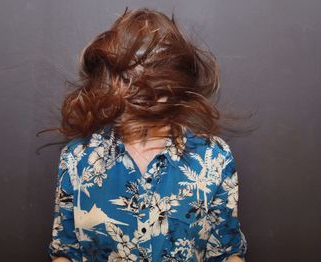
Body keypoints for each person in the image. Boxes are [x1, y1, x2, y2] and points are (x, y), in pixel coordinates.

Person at [47, 7, 248, 262]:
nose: (143, 85)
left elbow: (228, 253)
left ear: (176, 79)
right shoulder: (77, 158)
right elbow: (65, 252)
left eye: (155, 71)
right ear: (113, 78)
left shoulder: (214, 158)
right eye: (130, 73)